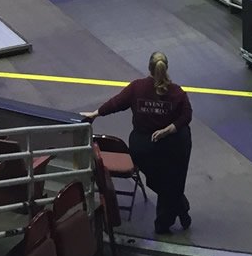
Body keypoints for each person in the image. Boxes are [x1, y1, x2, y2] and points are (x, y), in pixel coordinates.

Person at [82, 52, 193, 236]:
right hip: (174, 146)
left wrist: (95, 113)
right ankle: (171, 216)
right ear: (166, 68)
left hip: (144, 147)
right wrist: (168, 129)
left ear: (149, 68)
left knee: (163, 184)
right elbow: (186, 116)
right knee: (173, 183)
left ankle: (178, 207)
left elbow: (116, 103)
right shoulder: (177, 93)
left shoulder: (137, 88)